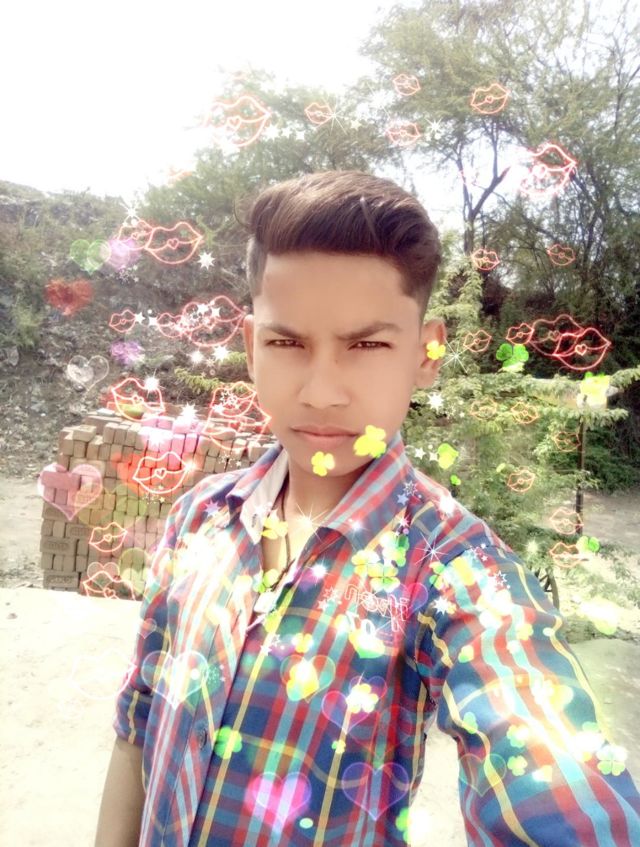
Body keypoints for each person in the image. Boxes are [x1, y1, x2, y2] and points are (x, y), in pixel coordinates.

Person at [95, 170, 640, 846]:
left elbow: (548, 760)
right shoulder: (197, 518)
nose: (321, 392)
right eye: (287, 342)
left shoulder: (456, 573)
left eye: (367, 344)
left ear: (427, 352)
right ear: (251, 346)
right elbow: (138, 728)